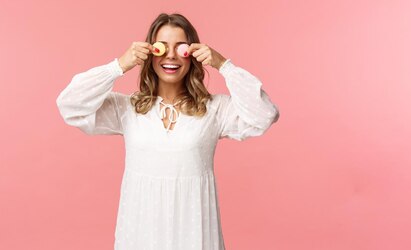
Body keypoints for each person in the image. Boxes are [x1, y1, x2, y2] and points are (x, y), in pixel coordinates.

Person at [56, 12, 279, 250]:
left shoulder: (215, 109)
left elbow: (265, 114)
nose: (171, 55)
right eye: (162, 47)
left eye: (180, 47)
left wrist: (224, 65)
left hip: (194, 233)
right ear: (150, 53)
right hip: (141, 233)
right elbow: (70, 105)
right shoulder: (128, 108)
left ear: (192, 55)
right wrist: (118, 66)